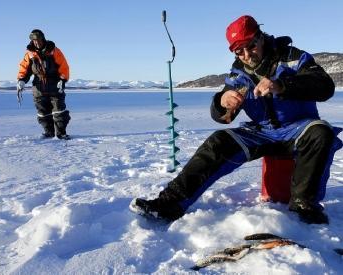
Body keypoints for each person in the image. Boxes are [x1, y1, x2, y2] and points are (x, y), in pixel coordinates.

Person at [130, 15, 341, 224]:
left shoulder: (293, 57)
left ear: (261, 37)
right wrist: (223, 101)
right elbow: (221, 116)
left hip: (300, 127)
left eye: (251, 46)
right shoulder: (237, 74)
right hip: (262, 132)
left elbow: (324, 86)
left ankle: (305, 205)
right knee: (218, 141)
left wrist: (282, 85)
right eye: (239, 51)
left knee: (321, 133)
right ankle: (169, 204)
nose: (247, 55)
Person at [17, 29, 72, 139]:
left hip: (55, 85)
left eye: (38, 40)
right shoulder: (29, 54)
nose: (37, 42)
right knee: (42, 111)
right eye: (34, 40)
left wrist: (63, 80)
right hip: (38, 87)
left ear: (43, 39)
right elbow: (25, 69)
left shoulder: (54, 51)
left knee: (59, 110)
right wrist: (21, 80)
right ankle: (49, 132)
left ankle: (61, 133)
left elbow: (64, 66)